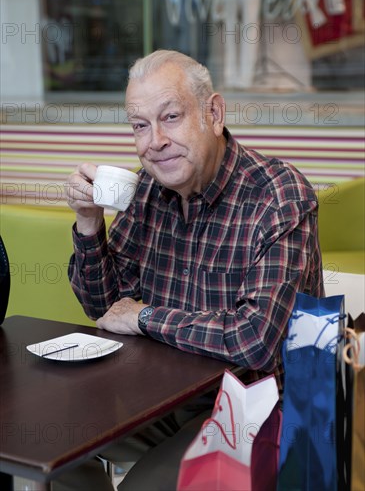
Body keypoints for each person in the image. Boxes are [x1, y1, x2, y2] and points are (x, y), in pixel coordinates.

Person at [61, 49, 323, 490]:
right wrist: (89, 224)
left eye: (171, 117)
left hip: (260, 409)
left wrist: (145, 317)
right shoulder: (148, 190)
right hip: (162, 397)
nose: (154, 141)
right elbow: (103, 307)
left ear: (213, 113)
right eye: (140, 126)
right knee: (53, 456)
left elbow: (255, 341)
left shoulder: (278, 194)